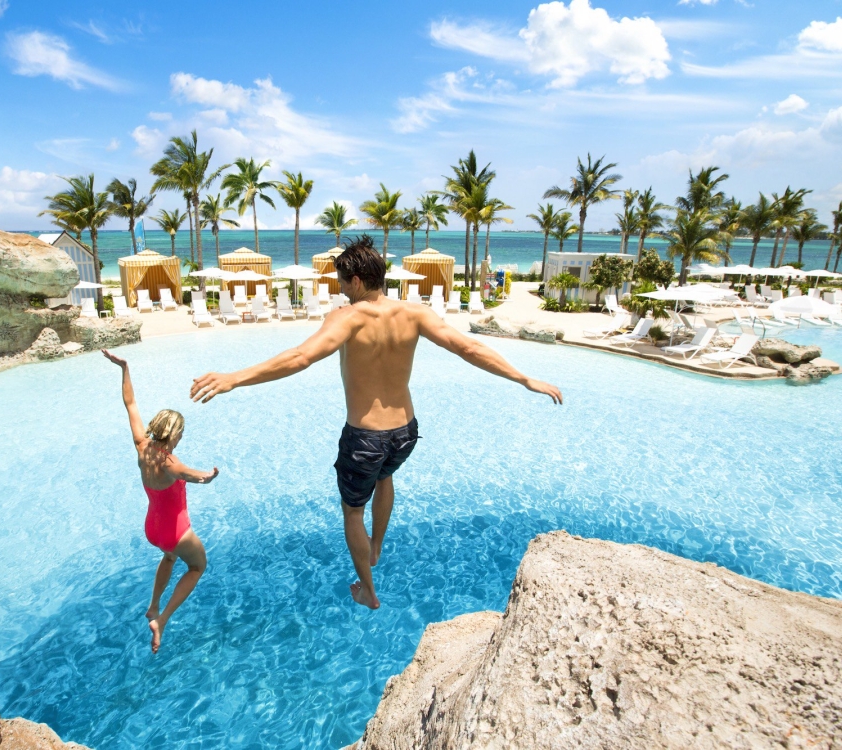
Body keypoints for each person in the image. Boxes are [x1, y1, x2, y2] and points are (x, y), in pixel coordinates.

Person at [189, 235, 562, 610]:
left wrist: (234, 378)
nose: (339, 288)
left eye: (340, 281)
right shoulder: (415, 313)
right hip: (405, 433)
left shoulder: (347, 317)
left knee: (353, 511)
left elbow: (301, 356)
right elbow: (467, 347)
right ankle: (377, 545)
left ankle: (368, 590)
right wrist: (523, 378)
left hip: (365, 437)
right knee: (385, 477)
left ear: (355, 281)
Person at [103, 349, 218, 652]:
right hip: (176, 531)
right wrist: (211, 475)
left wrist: (125, 368)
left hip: (152, 528)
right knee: (197, 567)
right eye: (180, 434)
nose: (181, 438)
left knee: (169, 557)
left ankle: (153, 605)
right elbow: (198, 477)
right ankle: (162, 619)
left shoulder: (142, 445)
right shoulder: (171, 465)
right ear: (174, 434)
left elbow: (130, 403)